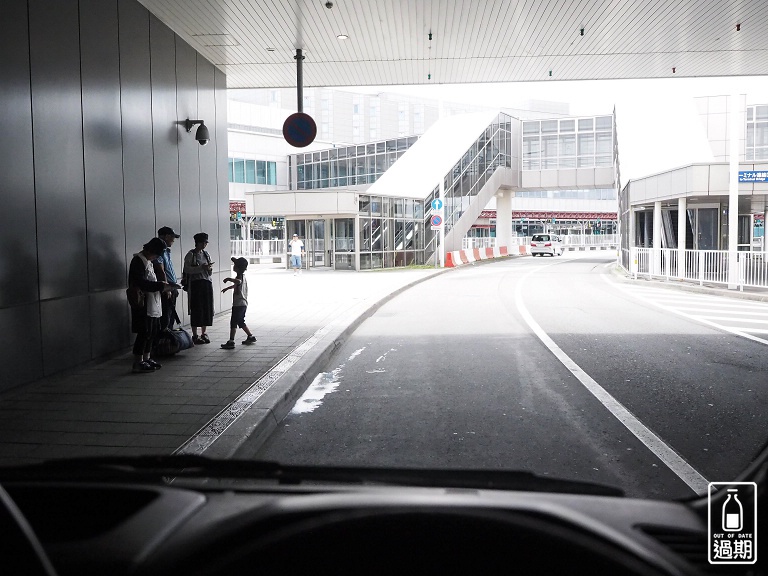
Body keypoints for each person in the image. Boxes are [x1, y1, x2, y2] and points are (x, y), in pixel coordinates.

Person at [129, 238, 175, 373]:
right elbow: (141, 283)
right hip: (143, 303)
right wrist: (161, 285)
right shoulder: (138, 261)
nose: (156, 257)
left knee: (152, 331)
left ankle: (147, 358)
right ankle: (138, 361)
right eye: (156, 254)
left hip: (153, 301)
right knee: (144, 332)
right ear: (150, 250)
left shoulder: (148, 261)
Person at [183, 232, 215, 344]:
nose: (205, 244)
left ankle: (204, 333)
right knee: (196, 308)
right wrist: (202, 268)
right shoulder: (191, 255)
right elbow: (187, 270)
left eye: (206, 242)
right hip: (195, 284)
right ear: (198, 243)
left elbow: (210, 272)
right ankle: (195, 335)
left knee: (206, 308)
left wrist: (208, 269)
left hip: (206, 283)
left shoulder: (206, 254)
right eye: (203, 242)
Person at [220, 257, 257, 349]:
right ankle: (250, 336)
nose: (233, 266)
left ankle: (231, 341)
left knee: (233, 322)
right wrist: (228, 288)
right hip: (243, 304)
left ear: (238, 267)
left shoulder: (239, 277)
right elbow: (237, 284)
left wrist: (229, 279)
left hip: (239, 304)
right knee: (240, 321)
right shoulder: (242, 276)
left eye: (235, 265)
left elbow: (238, 282)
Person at [156, 226, 181, 330]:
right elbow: (161, 271)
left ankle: (168, 339)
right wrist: (167, 289)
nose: (173, 240)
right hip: (166, 288)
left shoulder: (167, 251)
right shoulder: (159, 251)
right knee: (166, 316)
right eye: (172, 237)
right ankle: (164, 341)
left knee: (171, 316)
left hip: (171, 287)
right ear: (166, 237)